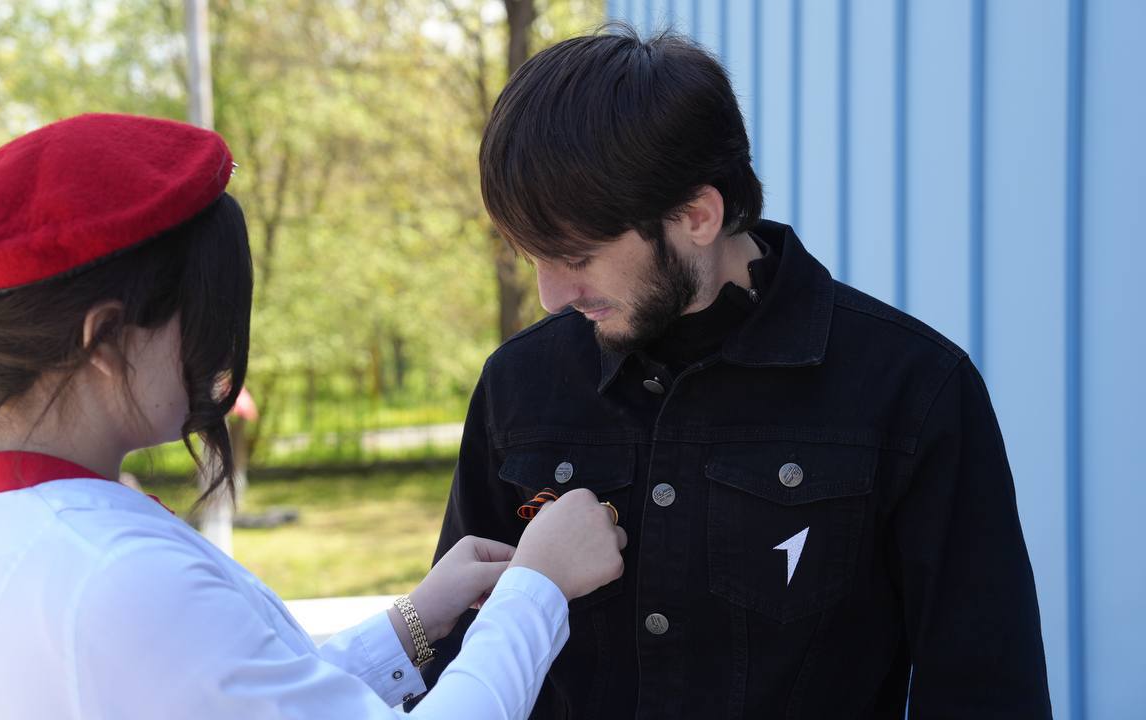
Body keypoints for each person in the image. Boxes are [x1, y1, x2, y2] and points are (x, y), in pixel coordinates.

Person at [0, 113, 627, 719]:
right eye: (203, 317)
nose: (219, 354)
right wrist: (538, 587)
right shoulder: (121, 576)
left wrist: (414, 621)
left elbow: (233, 696)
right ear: (104, 339)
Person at [418, 29, 1052, 719]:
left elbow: (985, 691)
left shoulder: (914, 389)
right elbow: (457, 661)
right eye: (530, 257)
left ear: (698, 215)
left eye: (576, 257)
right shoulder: (518, 384)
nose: (549, 296)